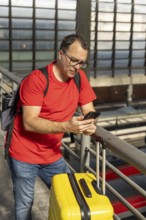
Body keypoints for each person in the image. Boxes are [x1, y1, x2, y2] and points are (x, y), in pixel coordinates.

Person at [7, 33, 97, 220]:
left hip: (52, 154)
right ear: (60, 54)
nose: (77, 67)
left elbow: (89, 108)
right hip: (24, 154)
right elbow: (29, 122)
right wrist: (67, 126)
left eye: (82, 63)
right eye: (74, 60)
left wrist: (90, 124)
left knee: (69, 199)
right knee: (24, 206)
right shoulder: (37, 80)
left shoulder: (79, 78)